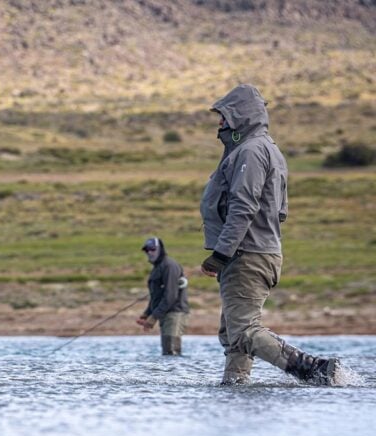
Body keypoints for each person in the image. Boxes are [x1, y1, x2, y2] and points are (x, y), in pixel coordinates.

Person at [200, 84, 341, 385]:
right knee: (233, 332)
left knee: (244, 330)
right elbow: (279, 212)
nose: (220, 123)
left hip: (246, 256)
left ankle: (315, 370)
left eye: (224, 116)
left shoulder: (251, 151)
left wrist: (222, 254)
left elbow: (243, 206)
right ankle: (235, 385)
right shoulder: (269, 150)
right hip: (257, 252)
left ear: (240, 116)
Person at [136, 237, 190, 355]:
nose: (149, 252)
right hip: (165, 313)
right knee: (167, 351)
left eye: (152, 249)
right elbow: (156, 296)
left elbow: (170, 295)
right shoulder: (157, 267)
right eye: (147, 250)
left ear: (160, 250)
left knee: (171, 351)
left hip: (175, 312)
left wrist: (154, 317)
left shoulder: (169, 266)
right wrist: (147, 313)